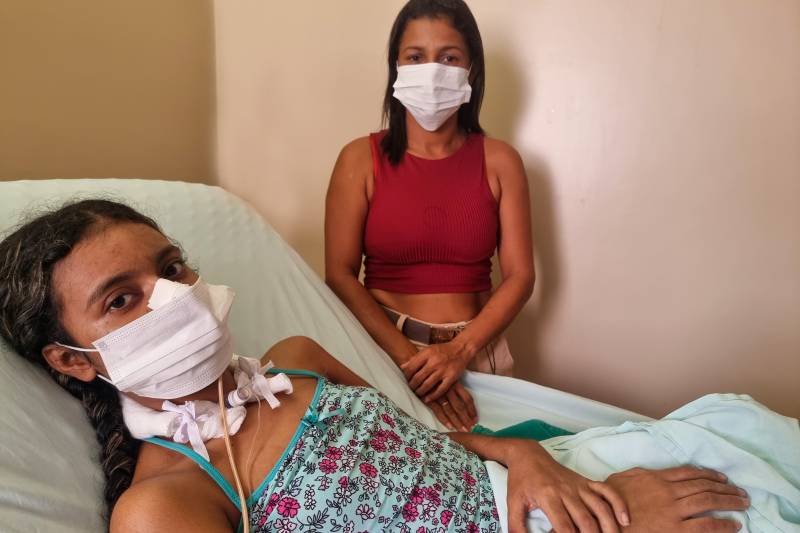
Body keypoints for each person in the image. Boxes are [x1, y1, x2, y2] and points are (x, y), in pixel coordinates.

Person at [0, 200, 751, 533]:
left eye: (171, 269)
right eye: (122, 299)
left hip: (551, 484)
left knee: (739, 427)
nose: (174, 297)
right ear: (72, 359)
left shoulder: (298, 360)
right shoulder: (164, 504)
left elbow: (427, 441)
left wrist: (521, 455)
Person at [325, 0, 535, 432]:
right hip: (384, 353)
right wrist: (412, 361)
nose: (432, 70)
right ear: (396, 68)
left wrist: (458, 352)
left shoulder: (501, 162)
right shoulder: (358, 160)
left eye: (449, 57)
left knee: (502, 463)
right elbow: (340, 275)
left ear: (471, 70)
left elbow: (521, 276)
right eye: (416, 57)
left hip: (476, 355)